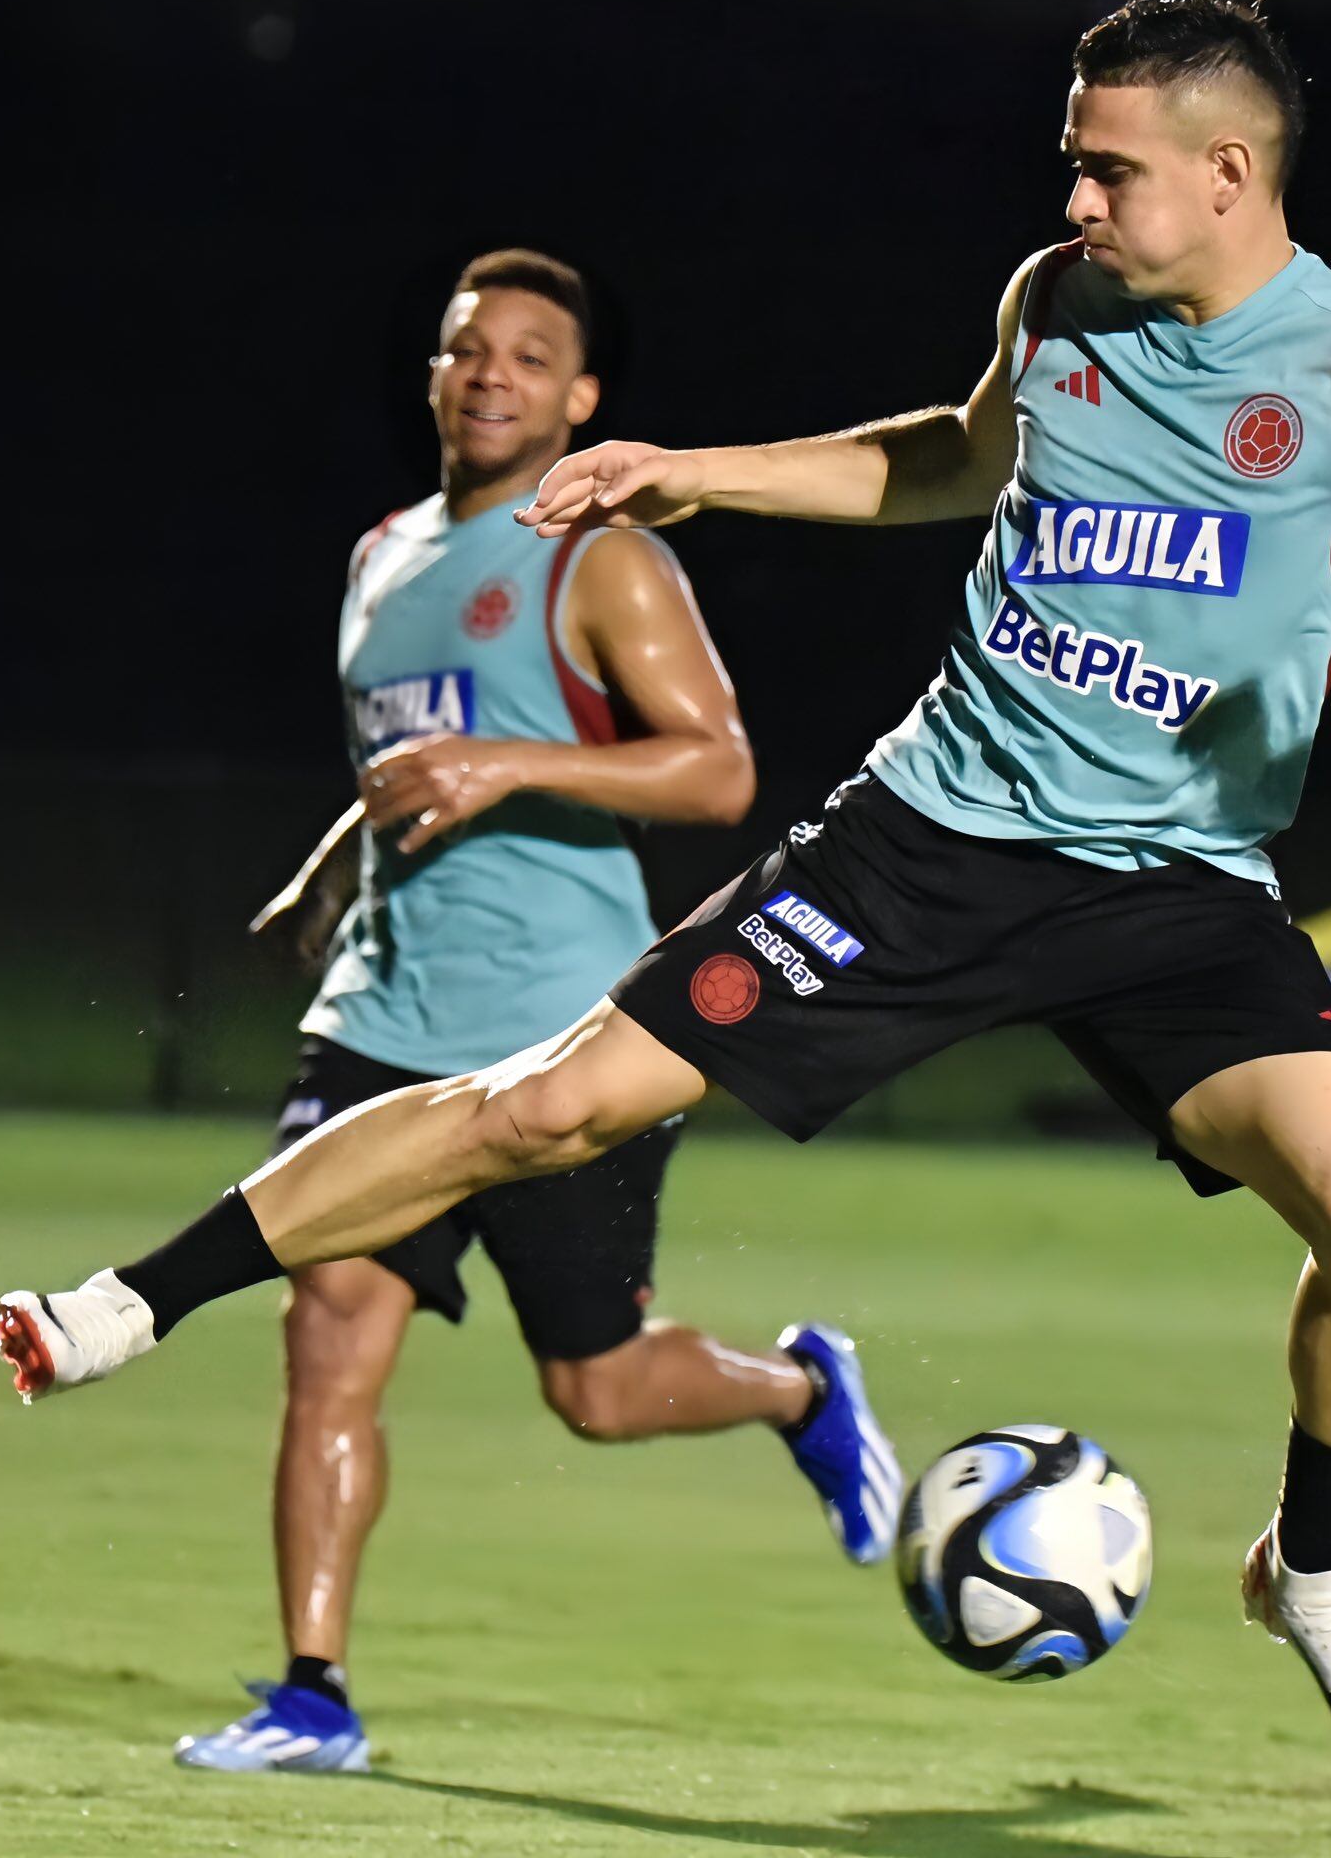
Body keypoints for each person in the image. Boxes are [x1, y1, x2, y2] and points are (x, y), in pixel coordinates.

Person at [0, 0, 1331, 1786]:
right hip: (926, 843)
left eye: (1109, 168)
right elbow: (956, 452)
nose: (1076, 197)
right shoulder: (1059, 298)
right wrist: (691, 474)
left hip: (1176, 888)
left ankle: (1309, 1572)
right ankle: (129, 1304)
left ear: (1229, 170)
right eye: (1072, 166)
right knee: (551, 1107)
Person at [134, 248, 899, 1777]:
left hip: (569, 1039)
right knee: (330, 1326)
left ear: (583, 400)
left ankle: (803, 1389)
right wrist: (326, 873)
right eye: (467, 348)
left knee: (597, 1390)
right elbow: (416, 759)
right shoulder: (378, 557)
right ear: (432, 374)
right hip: (383, 1020)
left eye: (531, 356)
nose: (493, 373)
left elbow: (718, 769)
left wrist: (519, 769)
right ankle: (311, 1695)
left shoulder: (600, 555)